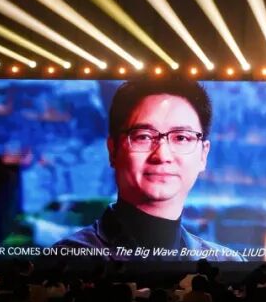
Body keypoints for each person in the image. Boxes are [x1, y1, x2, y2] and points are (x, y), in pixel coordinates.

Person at [53, 79, 241, 261]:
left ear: (203, 155)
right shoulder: (70, 259)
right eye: (143, 137)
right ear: (113, 150)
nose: (162, 155)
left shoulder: (226, 261)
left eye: (181, 138)